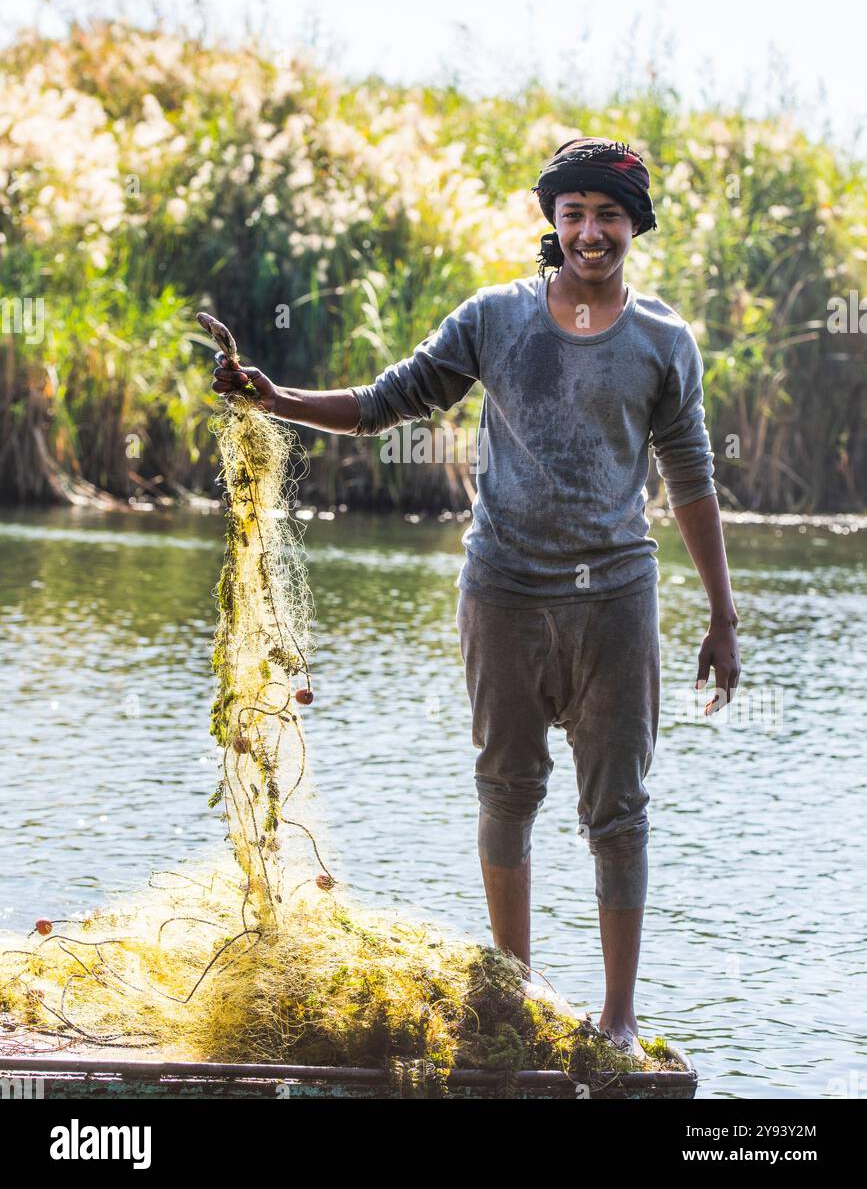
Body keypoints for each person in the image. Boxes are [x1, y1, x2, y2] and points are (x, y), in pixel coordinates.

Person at [212, 135, 741, 1058]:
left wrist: (723, 613)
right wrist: (275, 398)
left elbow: (690, 472)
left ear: (633, 227)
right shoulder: (495, 319)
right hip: (501, 590)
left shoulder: (663, 340)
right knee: (506, 789)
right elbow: (392, 398)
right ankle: (519, 995)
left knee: (617, 810)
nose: (589, 232)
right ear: (553, 222)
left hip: (616, 596)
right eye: (572, 214)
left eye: (607, 216)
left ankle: (618, 1018)